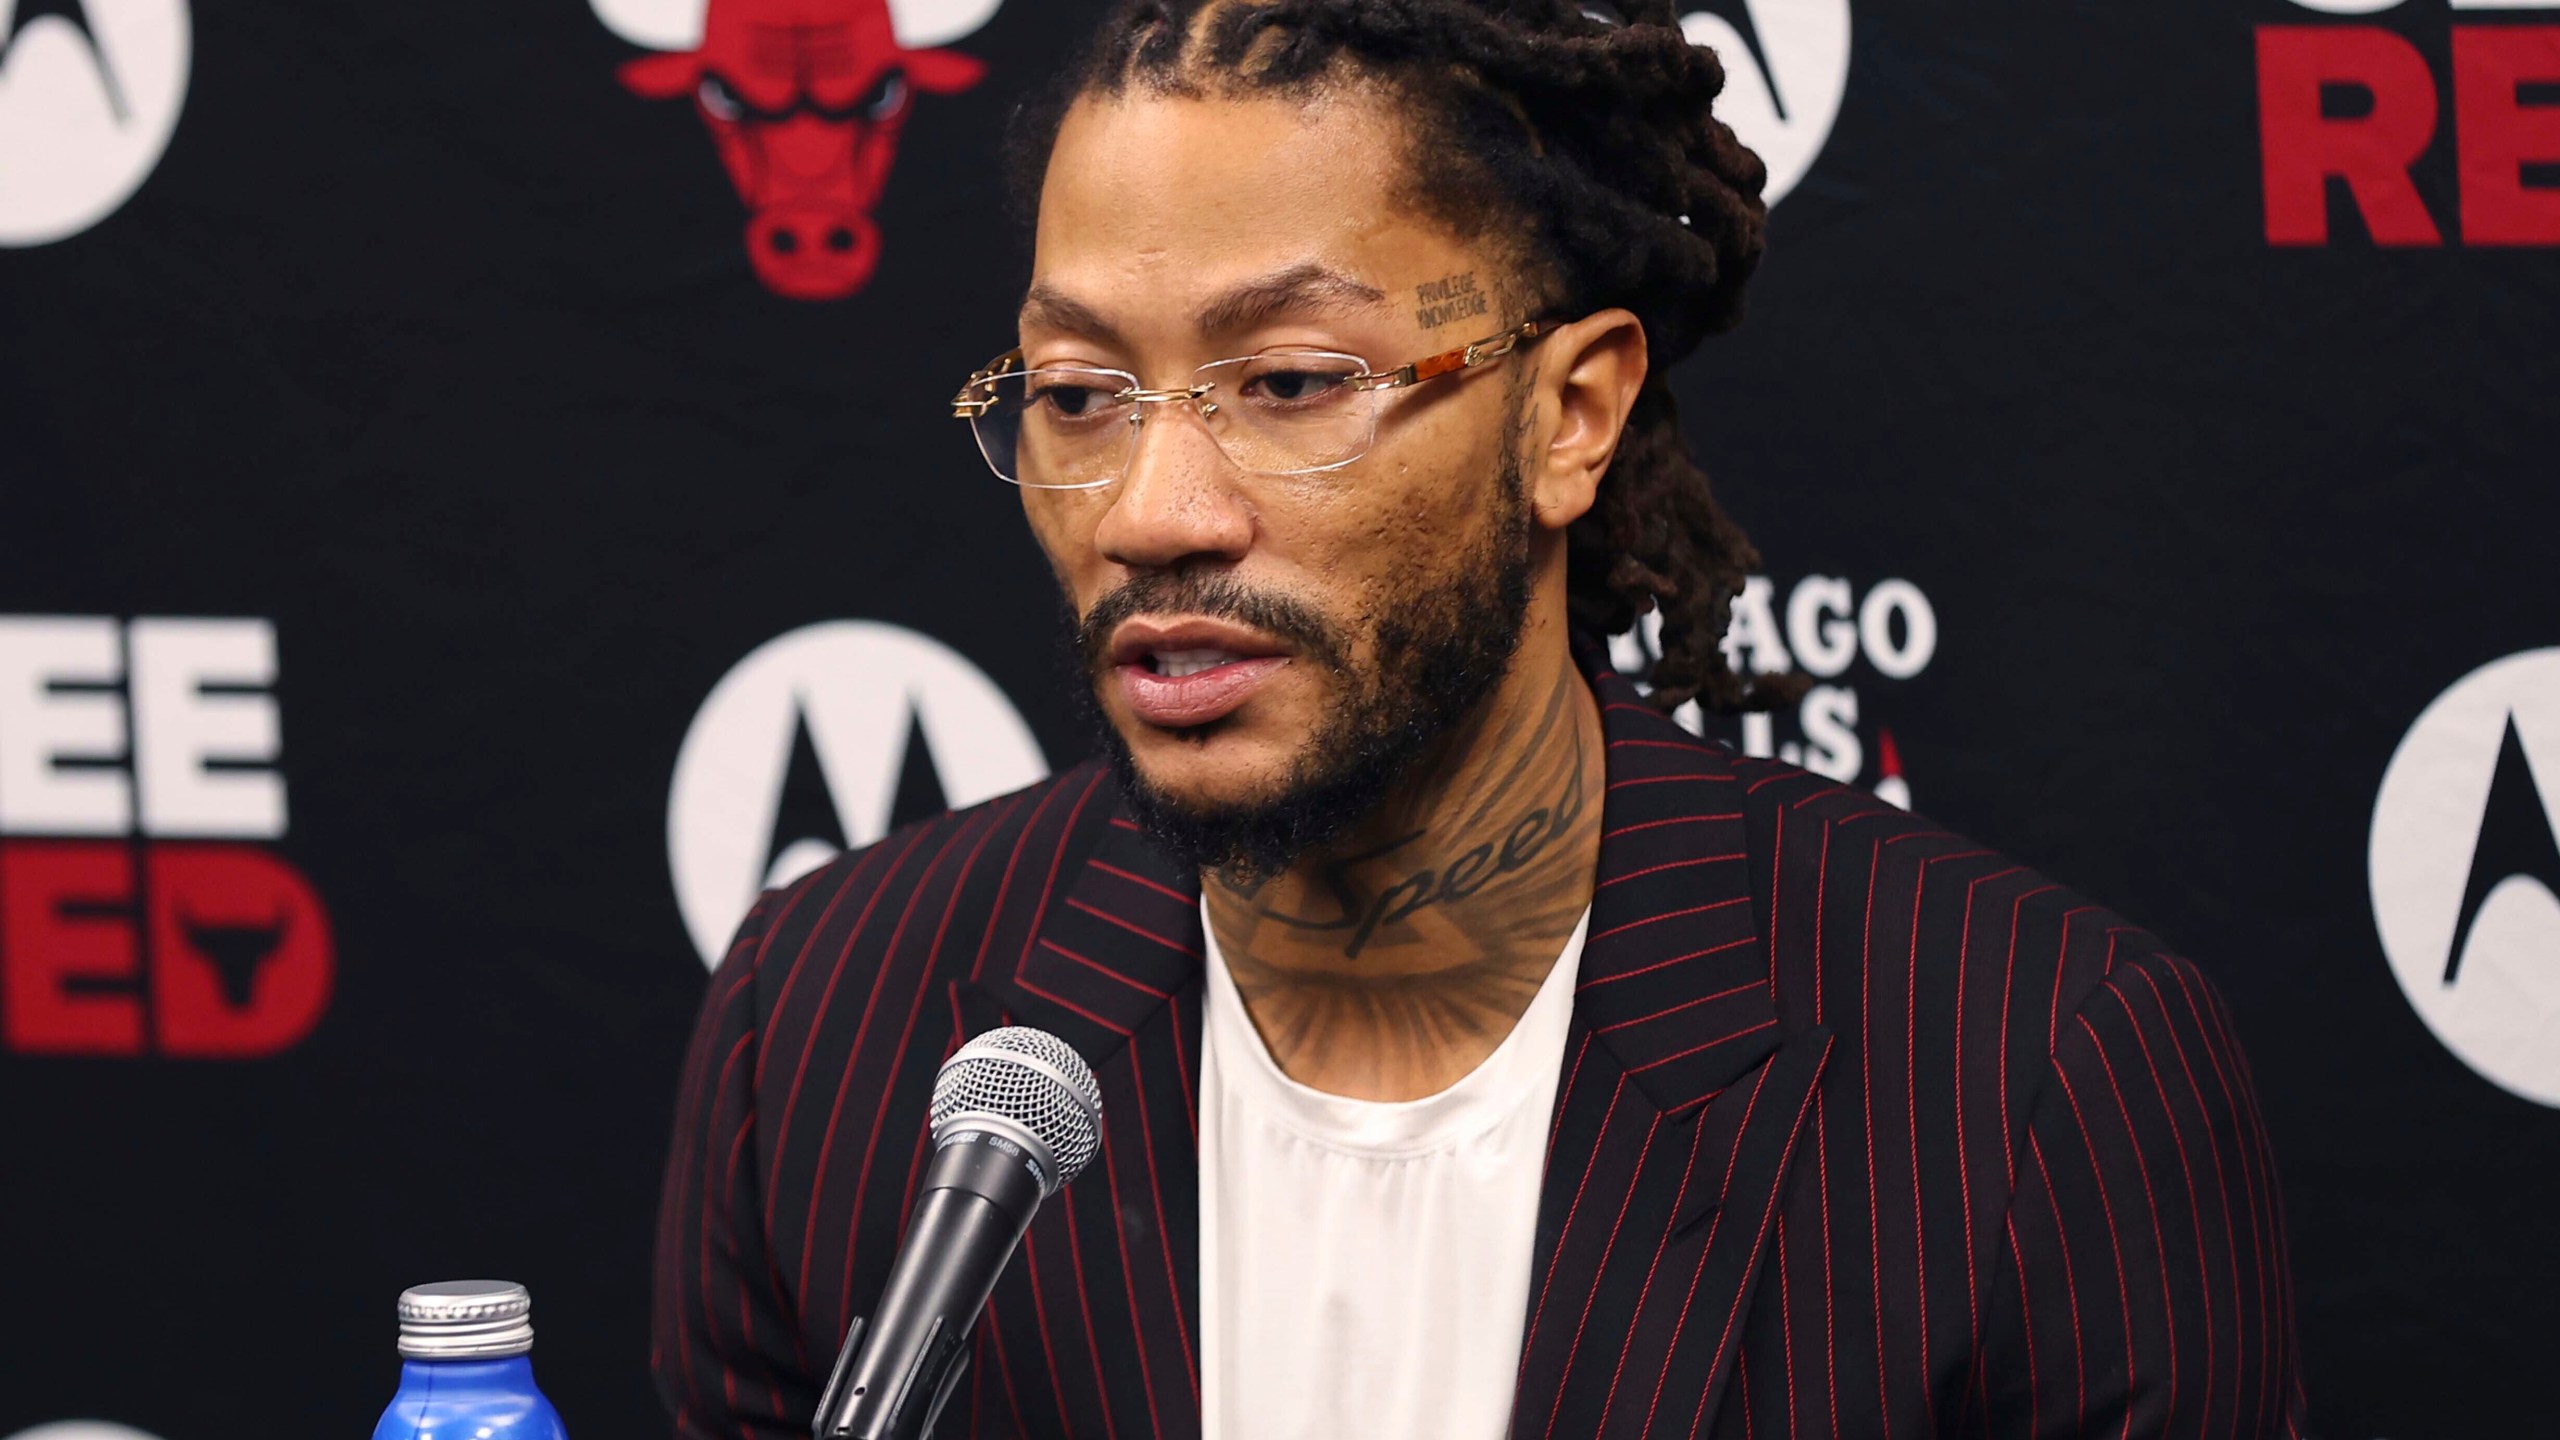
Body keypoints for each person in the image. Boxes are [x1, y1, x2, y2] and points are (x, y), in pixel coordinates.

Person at [652, 3, 2311, 1437]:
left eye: (1291, 382)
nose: (1150, 514)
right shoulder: (819, 1035)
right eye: (1082, 396)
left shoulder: (2029, 1072)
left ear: (1569, 415)